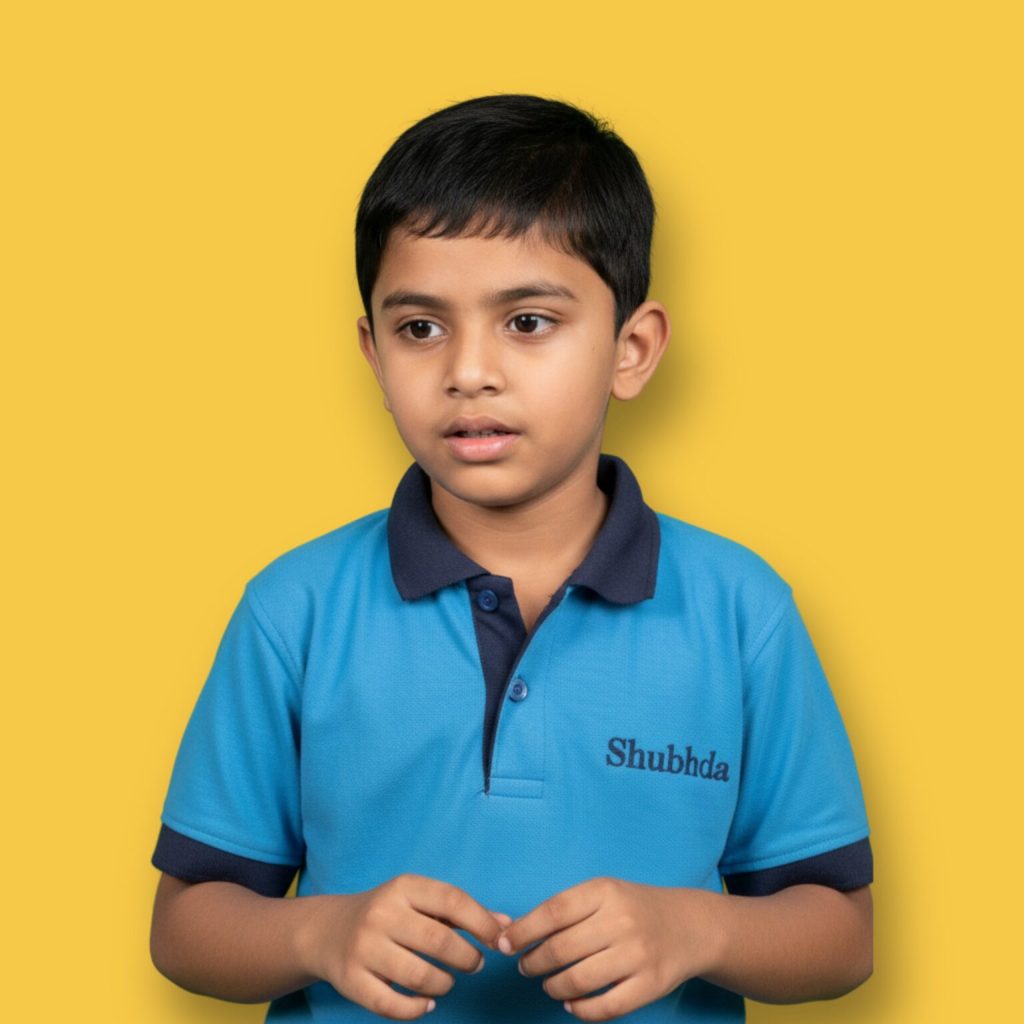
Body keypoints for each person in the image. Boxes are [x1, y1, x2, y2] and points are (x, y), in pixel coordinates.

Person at [149, 93, 873, 1023]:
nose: (468, 372)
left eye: (527, 321)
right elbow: (185, 925)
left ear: (632, 349)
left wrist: (700, 930)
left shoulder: (741, 611)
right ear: (373, 354)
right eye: (420, 328)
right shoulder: (295, 609)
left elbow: (841, 936)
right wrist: (317, 934)